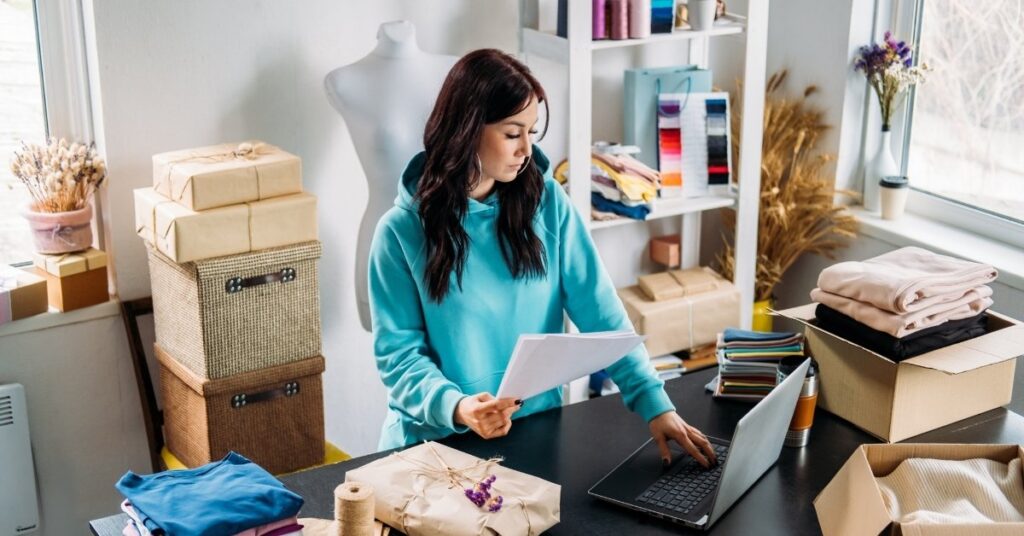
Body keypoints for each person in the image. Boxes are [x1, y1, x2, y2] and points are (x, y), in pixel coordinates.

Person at [368, 49, 717, 468]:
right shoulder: (399, 233)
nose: (526, 149)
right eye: (513, 133)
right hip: (436, 445)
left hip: (534, 432)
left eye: (532, 132)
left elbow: (601, 313)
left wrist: (654, 404)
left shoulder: (547, 203)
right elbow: (400, 358)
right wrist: (459, 407)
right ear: (466, 129)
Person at [324, 20, 456, 331]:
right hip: (384, 240)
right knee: (395, 357)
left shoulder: (453, 72)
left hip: (451, 239)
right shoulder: (344, 81)